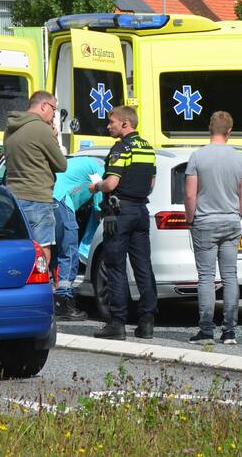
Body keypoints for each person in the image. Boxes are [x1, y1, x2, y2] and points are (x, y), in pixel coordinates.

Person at [183, 111, 242, 345]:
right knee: (230, 275)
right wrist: (235, 215)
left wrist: (190, 220)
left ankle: (205, 330)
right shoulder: (240, 159)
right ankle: (229, 331)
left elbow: (190, 195)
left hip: (204, 222)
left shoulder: (197, 157)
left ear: (209, 129)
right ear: (229, 131)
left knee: (206, 277)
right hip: (231, 221)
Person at [94, 105, 159, 341]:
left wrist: (96, 186)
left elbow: (111, 183)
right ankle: (147, 322)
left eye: (111, 122)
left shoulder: (120, 148)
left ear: (125, 124)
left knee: (115, 267)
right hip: (141, 211)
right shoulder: (148, 148)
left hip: (120, 212)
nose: (108, 126)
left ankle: (117, 323)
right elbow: (151, 182)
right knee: (143, 267)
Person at [3, 91, 67, 267]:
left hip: (13, 197)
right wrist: (53, 138)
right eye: (53, 109)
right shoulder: (41, 129)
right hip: (37, 198)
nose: (54, 115)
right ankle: (40, 287)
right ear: (44, 106)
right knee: (42, 250)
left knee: (19, 248)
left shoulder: (10, 128)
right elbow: (62, 165)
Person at [51, 155, 108, 321]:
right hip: (61, 199)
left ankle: (53, 294)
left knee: (53, 249)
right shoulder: (101, 169)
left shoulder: (85, 162)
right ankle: (63, 300)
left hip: (45, 198)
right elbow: (99, 208)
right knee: (68, 250)